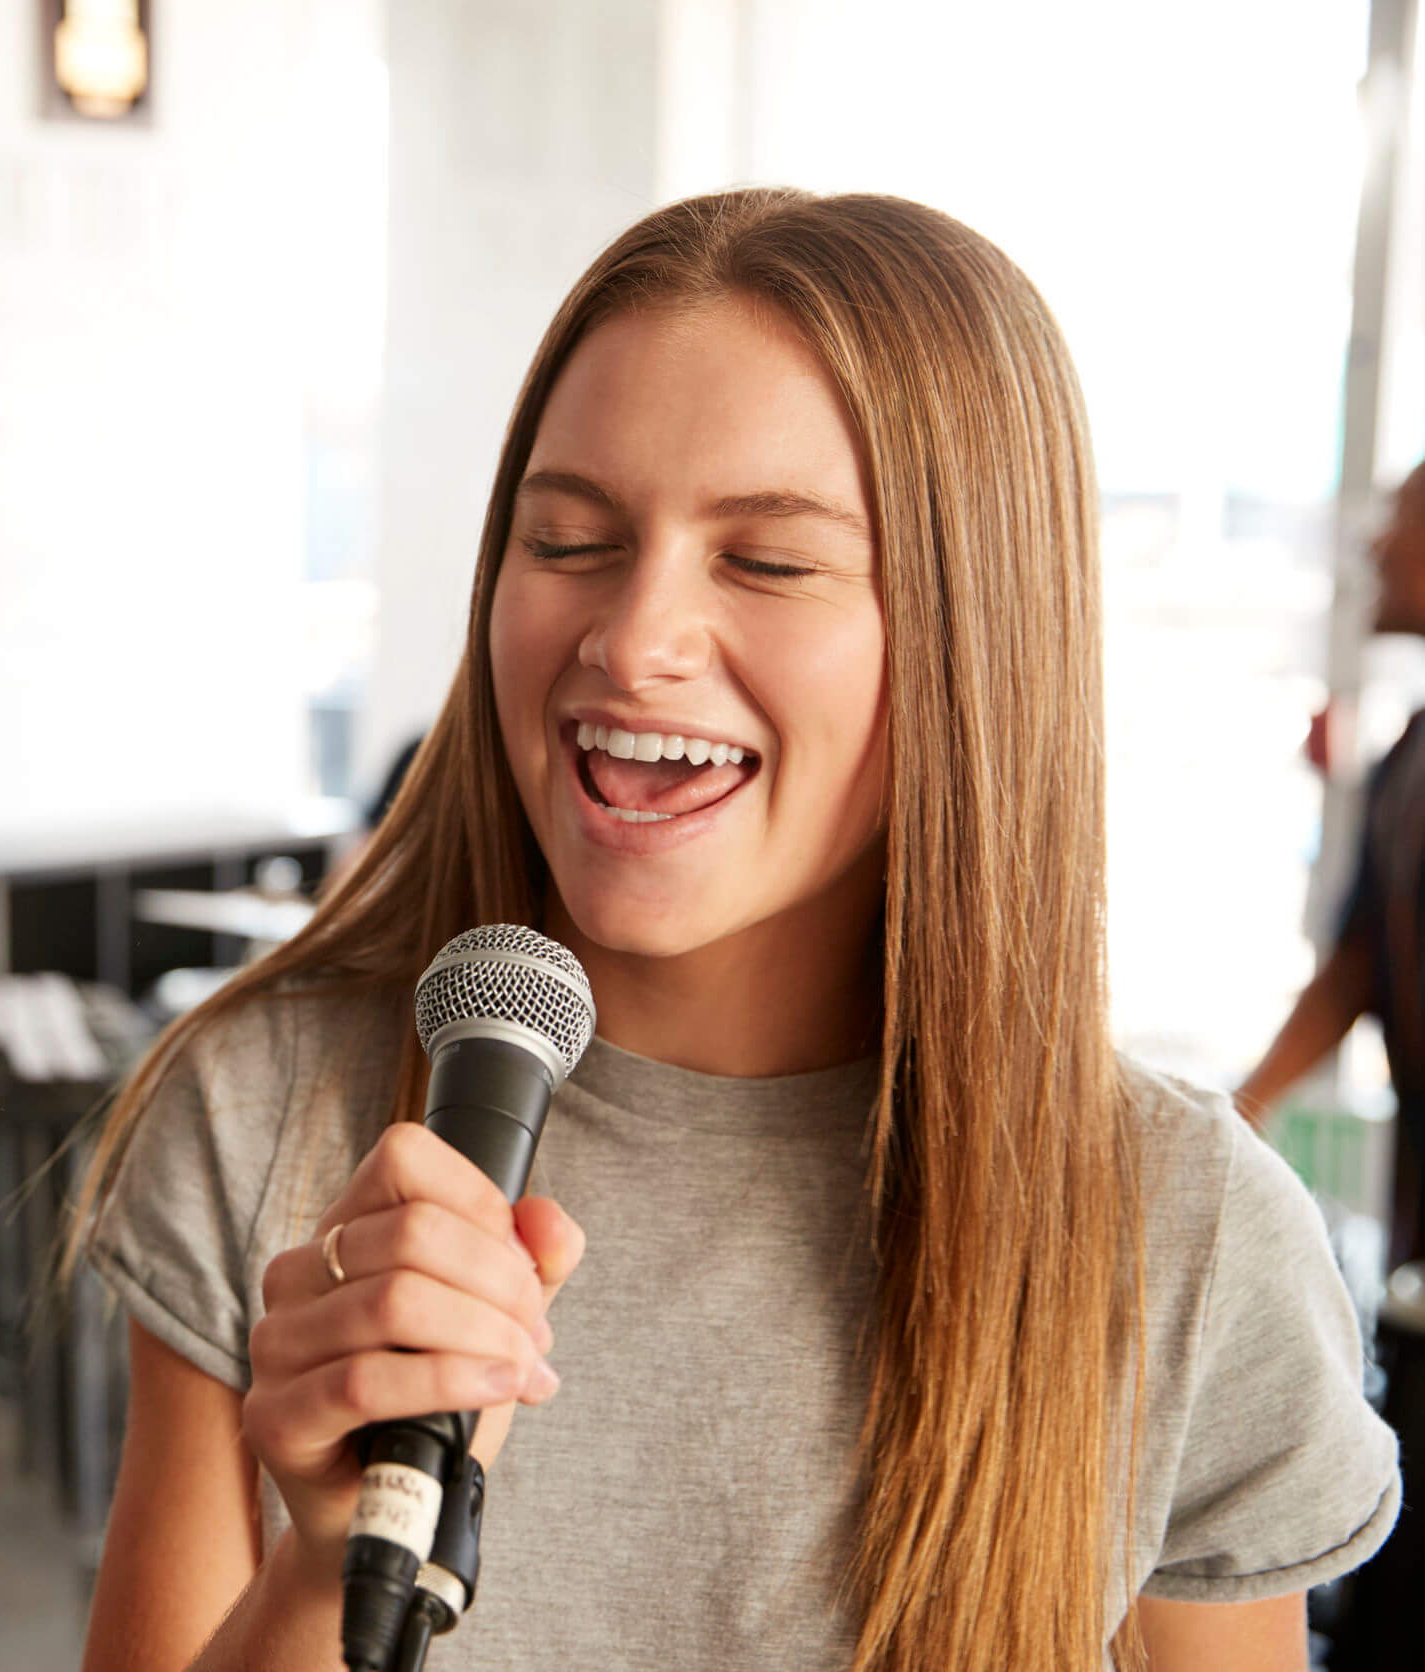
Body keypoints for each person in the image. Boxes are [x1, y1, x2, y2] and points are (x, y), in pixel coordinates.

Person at [69, 190, 1400, 1672]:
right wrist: (325, 1577)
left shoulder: (1183, 1237)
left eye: (768, 562)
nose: (634, 640)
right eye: (567, 538)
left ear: (980, 636)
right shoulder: (262, 1113)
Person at [1239, 458, 1425, 1275]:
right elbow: (1356, 966)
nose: (1378, 546)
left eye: (1406, 517)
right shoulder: (1411, 756)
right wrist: (1238, 1118)